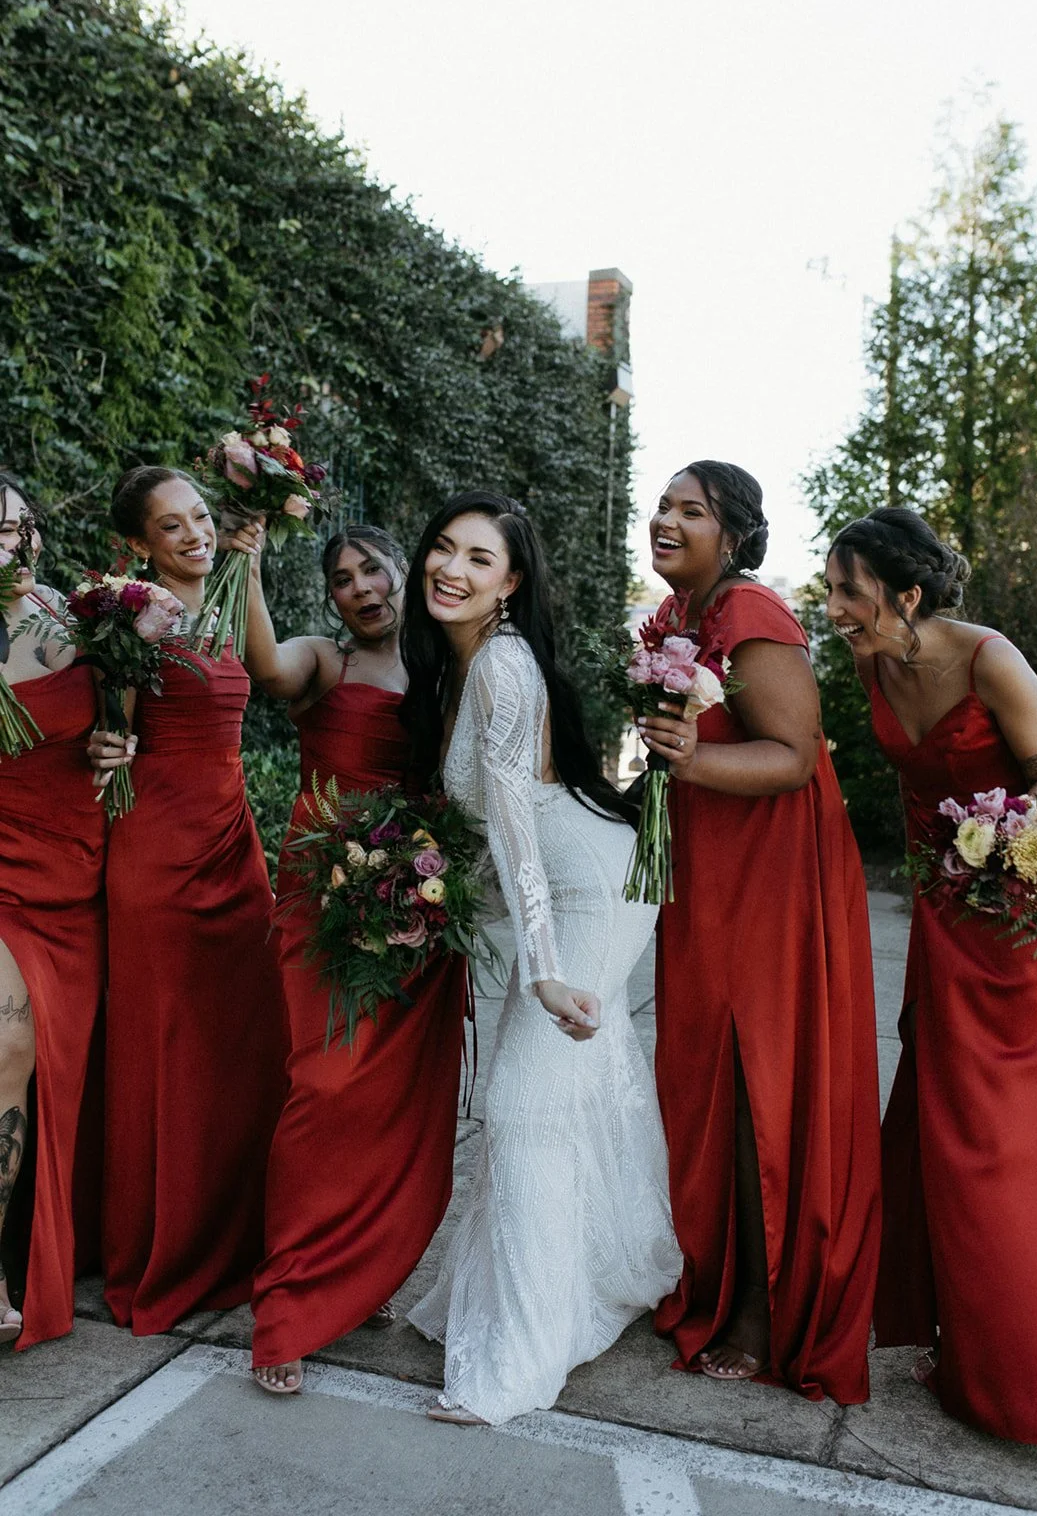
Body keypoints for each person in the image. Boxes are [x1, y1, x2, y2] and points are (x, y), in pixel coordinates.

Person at [402, 490, 680, 1427]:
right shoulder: (467, 662)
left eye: (480, 559)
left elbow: (518, 824)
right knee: (556, 1095)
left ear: (511, 582)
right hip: (566, 882)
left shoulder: (503, 668)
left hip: (584, 895)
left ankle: (518, 1363)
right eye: (443, 548)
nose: (452, 569)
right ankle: (603, 1278)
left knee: (522, 1109)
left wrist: (544, 966)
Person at [641, 461, 881, 1404]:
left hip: (770, 881)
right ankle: (712, 1270)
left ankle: (762, 1309)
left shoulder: (749, 615)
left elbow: (791, 756)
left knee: (753, 1081)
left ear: (733, 537)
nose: (666, 519)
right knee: (703, 1070)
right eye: (662, 506)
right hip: (703, 875)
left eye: (690, 511)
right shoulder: (675, 625)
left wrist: (690, 760)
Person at [826, 506, 1037, 1445]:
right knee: (935, 1119)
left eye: (851, 590)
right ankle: (959, 1343)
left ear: (907, 594)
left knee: (997, 1139)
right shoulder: (868, 660)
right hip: (939, 912)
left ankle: (1027, 1372)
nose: (837, 606)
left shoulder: (991, 659)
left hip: (1015, 914)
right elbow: (903, 779)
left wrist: (999, 836)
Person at [232, 522, 468, 1396]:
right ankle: (289, 1304)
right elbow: (267, 671)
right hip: (319, 892)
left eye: (373, 568)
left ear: (405, 573)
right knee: (323, 1086)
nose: (361, 587)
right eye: (341, 578)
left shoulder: (448, 666)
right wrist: (247, 561)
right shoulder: (324, 661)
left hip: (415, 900)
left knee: (395, 1103)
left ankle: (356, 1275)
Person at [92, 466, 288, 1335]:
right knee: (161, 1048)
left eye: (199, 517)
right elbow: (111, 732)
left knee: (242, 1044)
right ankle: (157, 1250)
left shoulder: (229, 592)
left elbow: (273, 671)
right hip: (158, 851)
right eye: (170, 527)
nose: (192, 534)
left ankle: (232, 1235)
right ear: (140, 545)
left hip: (230, 839)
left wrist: (253, 552)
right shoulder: (130, 618)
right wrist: (106, 749)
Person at [0, 473, 106, 1349]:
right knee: (7, 1047)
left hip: (79, 876)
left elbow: (125, 722)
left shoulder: (84, 618)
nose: (12, 545)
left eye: (21, 528)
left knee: (59, 1074)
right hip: (1, 878)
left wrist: (116, 741)